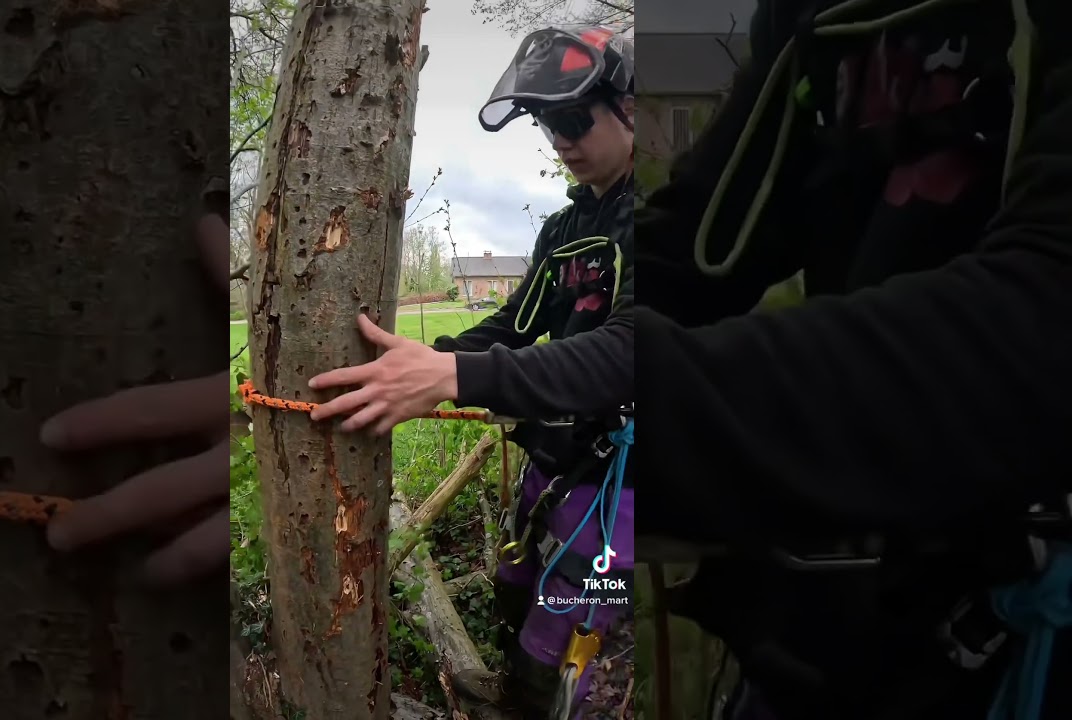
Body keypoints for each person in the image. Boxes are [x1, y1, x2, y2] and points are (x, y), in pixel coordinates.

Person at [628, 1, 1072, 719]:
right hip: (850, 624)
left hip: (1031, 622)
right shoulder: (820, 15)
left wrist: (645, 396)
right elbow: (697, 240)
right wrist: (522, 351)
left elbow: (1046, 323)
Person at [307, 25, 637, 719]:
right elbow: (512, 326)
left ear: (632, 108)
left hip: (622, 483)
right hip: (554, 460)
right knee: (514, 585)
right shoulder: (563, 231)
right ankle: (511, 691)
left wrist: (459, 379)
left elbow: (625, 354)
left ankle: (546, 706)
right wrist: (422, 360)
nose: (561, 141)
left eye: (575, 119)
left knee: (565, 628)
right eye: (549, 126)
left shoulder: (659, 221)